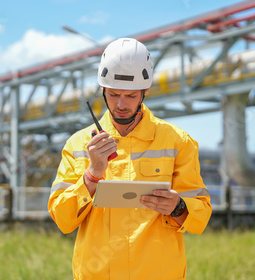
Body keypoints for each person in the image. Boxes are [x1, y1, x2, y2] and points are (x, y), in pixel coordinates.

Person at [48, 38, 212, 280]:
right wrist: (92, 175)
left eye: (131, 96)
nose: (121, 104)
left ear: (145, 92)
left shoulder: (177, 141)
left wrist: (178, 207)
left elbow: (201, 214)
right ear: (102, 90)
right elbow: (62, 219)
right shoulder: (78, 145)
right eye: (114, 95)